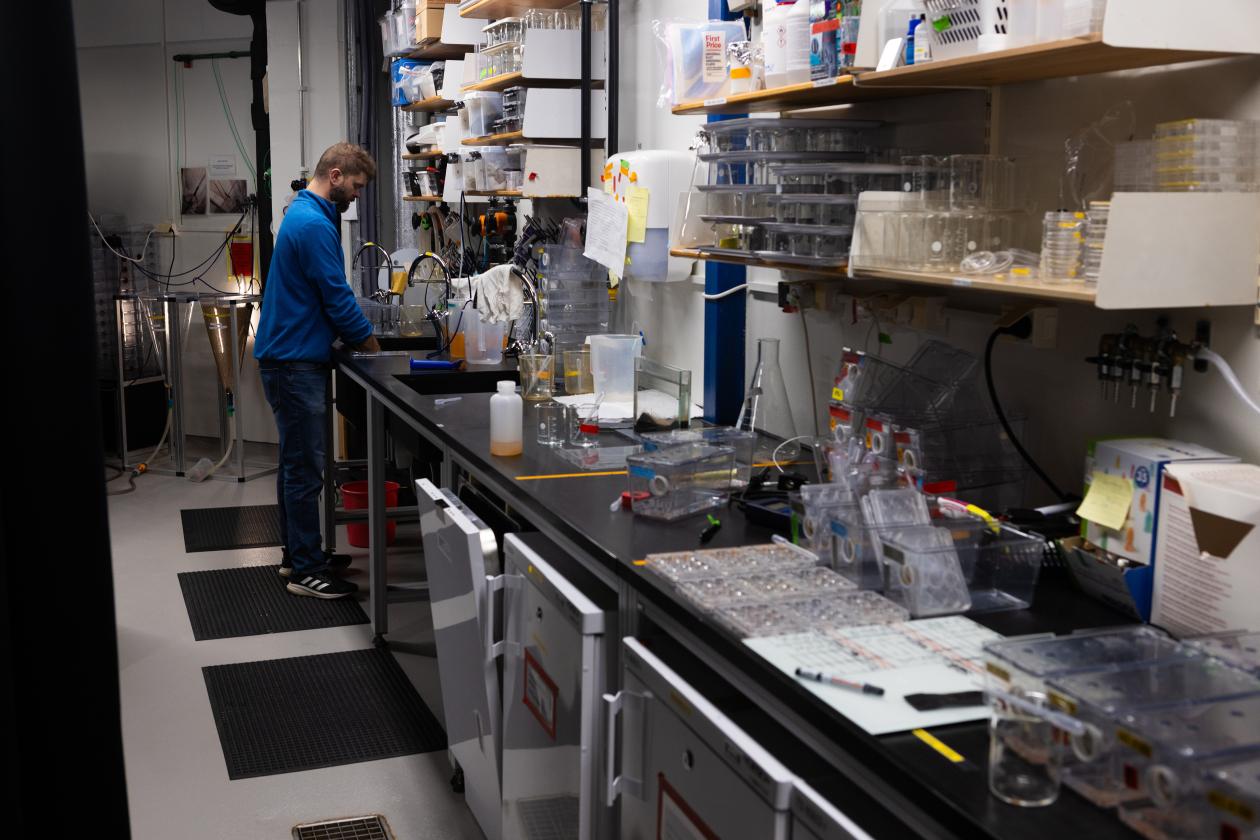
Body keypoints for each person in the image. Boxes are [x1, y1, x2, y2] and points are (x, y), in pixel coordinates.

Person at [255, 142, 381, 599]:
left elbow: (331, 294)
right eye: (355, 186)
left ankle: (299, 554)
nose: (357, 195)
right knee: (304, 468)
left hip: (292, 358)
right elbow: (336, 296)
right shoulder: (311, 223)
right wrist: (371, 345)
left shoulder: (307, 215)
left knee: (297, 464)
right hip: (293, 362)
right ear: (334, 175)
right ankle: (307, 569)